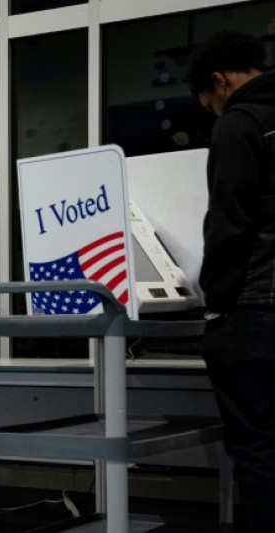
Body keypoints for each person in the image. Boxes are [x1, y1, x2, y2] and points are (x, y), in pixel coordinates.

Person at [187, 30, 275, 533]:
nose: (215, 113)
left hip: (257, 311)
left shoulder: (240, 123)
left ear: (220, 82)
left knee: (259, 448)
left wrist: (214, 302)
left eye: (209, 104)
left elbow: (230, 226)